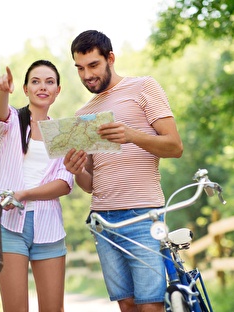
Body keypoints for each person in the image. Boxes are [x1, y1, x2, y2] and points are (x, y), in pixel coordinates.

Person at [64, 30, 183, 312]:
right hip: (102, 220)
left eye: (93, 65)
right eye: (80, 68)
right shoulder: (84, 114)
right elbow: (90, 184)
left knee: (151, 304)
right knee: (127, 305)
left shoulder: (144, 87)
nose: (87, 75)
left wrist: (131, 135)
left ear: (110, 59)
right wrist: (76, 170)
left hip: (143, 213)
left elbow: (174, 146)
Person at [0, 60, 74, 312]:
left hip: (48, 228)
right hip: (9, 226)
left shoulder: (62, 132)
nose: (42, 87)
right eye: (35, 81)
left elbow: (63, 184)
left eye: (49, 82)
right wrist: (2, 91)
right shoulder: (14, 122)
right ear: (26, 89)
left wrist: (25, 194)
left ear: (58, 90)